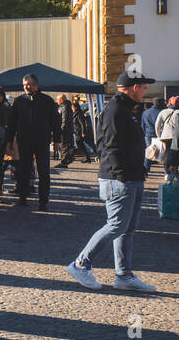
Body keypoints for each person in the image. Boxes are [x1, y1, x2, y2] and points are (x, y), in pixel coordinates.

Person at [65, 71, 158, 292]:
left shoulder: (126, 109)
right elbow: (109, 145)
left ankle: (123, 275)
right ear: (134, 87)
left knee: (127, 229)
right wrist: (122, 174)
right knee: (116, 225)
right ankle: (80, 264)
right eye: (143, 87)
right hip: (119, 178)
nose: (145, 91)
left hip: (131, 176)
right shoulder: (116, 110)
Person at [5, 73, 60, 210]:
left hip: (42, 141)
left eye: (28, 84)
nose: (26, 87)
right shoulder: (19, 101)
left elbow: (55, 122)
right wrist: (9, 140)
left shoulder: (47, 101)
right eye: (24, 85)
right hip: (24, 141)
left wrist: (57, 140)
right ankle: (22, 198)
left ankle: (43, 201)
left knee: (43, 172)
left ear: (36, 85)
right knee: (22, 171)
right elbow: (11, 123)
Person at [142, 97, 165, 174]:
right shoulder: (162, 112)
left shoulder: (145, 112)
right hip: (160, 135)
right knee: (163, 152)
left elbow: (142, 125)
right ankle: (166, 171)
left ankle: (146, 170)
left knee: (149, 152)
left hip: (148, 135)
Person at [73, 99, 95, 163]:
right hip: (77, 132)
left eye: (73, 107)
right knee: (81, 145)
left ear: (76, 107)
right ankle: (87, 158)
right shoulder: (75, 113)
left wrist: (83, 132)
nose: (72, 108)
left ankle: (87, 158)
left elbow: (82, 124)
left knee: (81, 145)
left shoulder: (79, 114)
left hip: (80, 132)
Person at [57, 94, 76, 167]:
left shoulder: (65, 107)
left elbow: (64, 119)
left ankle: (64, 162)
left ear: (61, 100)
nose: (57, 101)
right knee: (66, 145)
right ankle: (67, 159)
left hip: (65, 129)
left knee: (64, 145)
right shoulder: (66, 106)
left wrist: (62, 128)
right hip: (68, 129)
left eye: (58, 100)